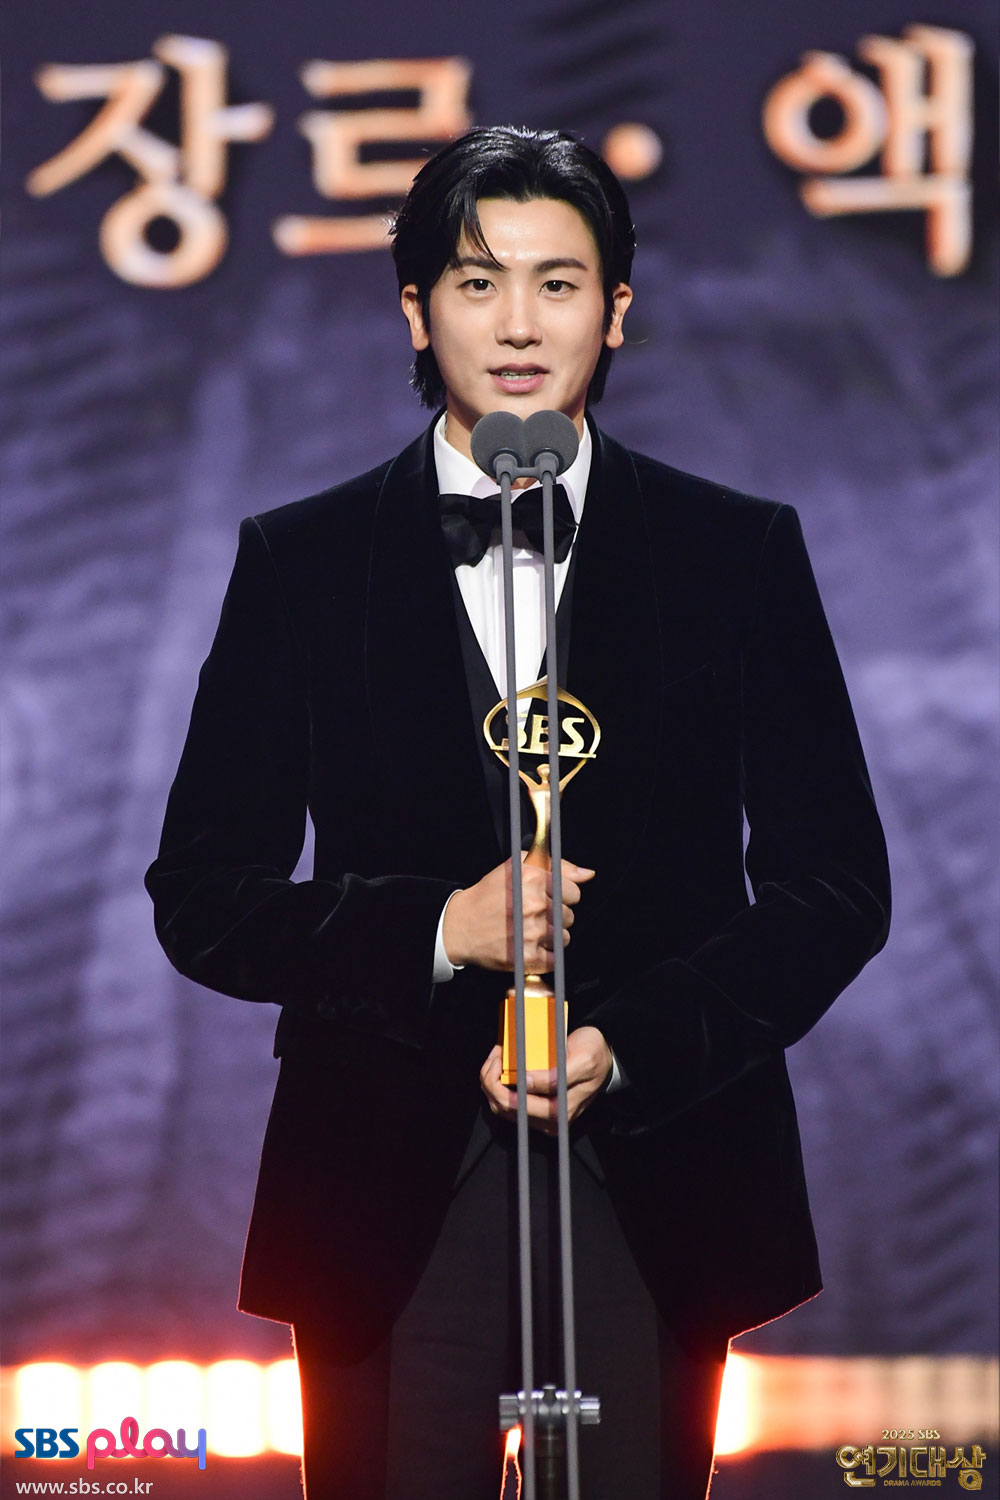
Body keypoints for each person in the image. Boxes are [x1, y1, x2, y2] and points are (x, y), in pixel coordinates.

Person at [146, 125, 890, 1499]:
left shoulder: (735, 553)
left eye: (559, 283)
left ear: (617, 310)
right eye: (478, 282)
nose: (519, 324)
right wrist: (439, 930)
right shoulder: (303, 562)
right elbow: (201, 897)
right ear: (414, 310)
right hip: (382, 1187)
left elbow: (833, 886)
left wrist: (633, 1041)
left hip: (656, 1171)